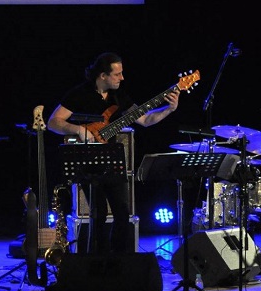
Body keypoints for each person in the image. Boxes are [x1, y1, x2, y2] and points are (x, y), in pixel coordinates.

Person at [47, 52, 179, 253]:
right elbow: (53, 122)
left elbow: (145, 120)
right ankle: (97, 260)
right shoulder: (79, 93)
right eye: (117, 74)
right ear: (102, 75)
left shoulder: (120, 96)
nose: (122, 78)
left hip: (112, 161)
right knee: (97, 214)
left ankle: (117, 260)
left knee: (123, 212)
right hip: (87, 162)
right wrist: (78, 129)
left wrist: (169, 109)